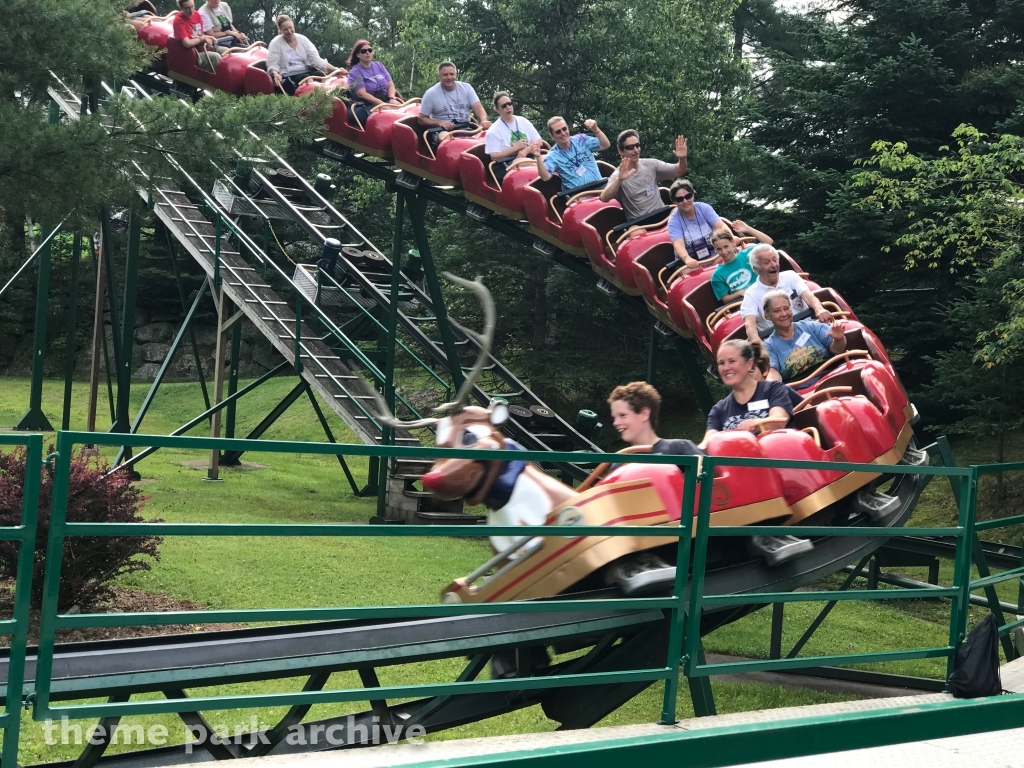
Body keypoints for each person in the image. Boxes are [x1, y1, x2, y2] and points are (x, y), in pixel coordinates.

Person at [700, 339, 814, 566]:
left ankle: (765, 531)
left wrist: (753, 424)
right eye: (721, 363)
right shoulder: (719, 409)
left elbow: (779, 421)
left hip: (776, 461)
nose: (726, 367)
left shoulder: (772, 389)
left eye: (732, 361)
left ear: (749, 363)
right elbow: (708, 442)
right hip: (741, 473)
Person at [603, 382, 702, 594]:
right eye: (614, 417)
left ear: (644, 413)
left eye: (622, 415)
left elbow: (708, 481)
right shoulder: (619, 464)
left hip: (678, 530)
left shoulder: (678, 448)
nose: (616, 422)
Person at [740, 244, 833, 341]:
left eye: (775, 260)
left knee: (833, 335)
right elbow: (750, 324)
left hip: (808, 328)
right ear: (756, 269)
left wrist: (819, 309)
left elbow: (808, 296)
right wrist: (755, 340)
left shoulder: (790, 276)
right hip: (780, 341)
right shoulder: (751, 294)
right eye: (767, 262)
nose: (773, 265)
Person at [599, 131, 688, 227]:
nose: (636, 150)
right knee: (634, 232)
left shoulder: (651, 164)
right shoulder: (618, 174)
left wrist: (682, 159)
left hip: (662, 214)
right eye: (630, 147)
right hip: (638, 223)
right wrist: (619, 180)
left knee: (679, 211)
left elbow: (679, 171)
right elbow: (604, 198)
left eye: (637, 145)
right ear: (621, 151)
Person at [762, 290, 847, 386]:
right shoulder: (768, 346)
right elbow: (773, 373)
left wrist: (839, 339)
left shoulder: (812, 326)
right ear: (767, 316)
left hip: (831, 377)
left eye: (786, 308)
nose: (784, 314)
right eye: (777, 311)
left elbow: (837, 350)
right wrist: (772, 386)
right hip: (801, 391)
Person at [417, 62, 491, 150]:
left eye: (452, 74)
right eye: (445, 75)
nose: (449, 77)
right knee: (448, 141)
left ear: (455, 75)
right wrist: (440, 123)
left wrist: (484, 120)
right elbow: (421, 119)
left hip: (464, 128)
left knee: (487, 139)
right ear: (439, 76)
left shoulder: (466, 88)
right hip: (442, 130)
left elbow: (478, 108)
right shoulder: (430, 94)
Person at [267, 15, 344, 96]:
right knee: (306, 78)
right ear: (280, 30)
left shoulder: (303, 40)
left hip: (306, 70)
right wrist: (275, 74)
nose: (289, 31)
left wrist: (336, 70)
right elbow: (273, 64)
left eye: (290, 27)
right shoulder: (275, 43)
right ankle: (315, 99)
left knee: (321, 75)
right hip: (289, 74)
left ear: (293, 25)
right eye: (285, 29)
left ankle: (331, 97)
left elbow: (316, 60)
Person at [666, 179, 731, 270]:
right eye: (680, 199)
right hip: (692, 261)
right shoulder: (673, 221)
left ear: (693, 195)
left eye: (688, 196)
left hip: (714, 254)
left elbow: (721, 227)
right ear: (674, 201)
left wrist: (731, 239)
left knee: (730, 260)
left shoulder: (704, 208)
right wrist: (687, 258)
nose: (685, 201)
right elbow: (678, 245)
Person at [536, 115, 610, 193]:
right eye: (558, 132)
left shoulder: (581, 139)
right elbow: (546, 177)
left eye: (564, 129)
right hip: (578, 195)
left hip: (601, 186)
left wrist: (595, 129)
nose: (563, 133)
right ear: (552, 136)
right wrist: (538, 156)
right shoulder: (552, 156)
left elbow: (605, 145)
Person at [484, 92, 543, 183]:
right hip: (508, 164)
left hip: (529, 155)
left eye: (509, 104)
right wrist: (514, 148)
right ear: (497, 109)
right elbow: (494, 156)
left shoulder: (523, 121)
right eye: (504, 106)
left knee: (547, 159)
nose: (508, 107)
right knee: (532, 164)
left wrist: (525, 150)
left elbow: (539, 141)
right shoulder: (493, 130)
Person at [710, 221, 774, 303]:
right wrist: (739, 293)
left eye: (726, 246)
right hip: (743, 303)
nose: (724, 251)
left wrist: (748, 229)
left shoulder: (747, 255)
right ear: (715, 250)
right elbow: (725, 299)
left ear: (733, 243)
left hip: (763, 295)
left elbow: (769, 242)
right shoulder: (717, 275)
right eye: (719, 249)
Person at [346, 40, 400, 125]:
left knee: (402, 111)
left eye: (370, 50)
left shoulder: (379, 65)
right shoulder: (355, 71)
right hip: (365, 105)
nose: (367, 53)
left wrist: (392, 99)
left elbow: (390, 85)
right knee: (386, 118)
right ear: (358, 55)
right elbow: (362, 94)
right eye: (364, 51)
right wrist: (380, 103)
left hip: (385, 101)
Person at [172, 0, 221, 73]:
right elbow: (187, 44)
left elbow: (201, 34)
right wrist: (202, 39)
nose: (191, 10)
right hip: (189, 53)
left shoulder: (197, 15)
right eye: (187, 8)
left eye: (192, 6)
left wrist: (208, 38)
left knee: (224, 50)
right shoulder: (179, 21)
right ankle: (219, 81)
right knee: (215, 57)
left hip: (200, 47)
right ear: (181, 8)